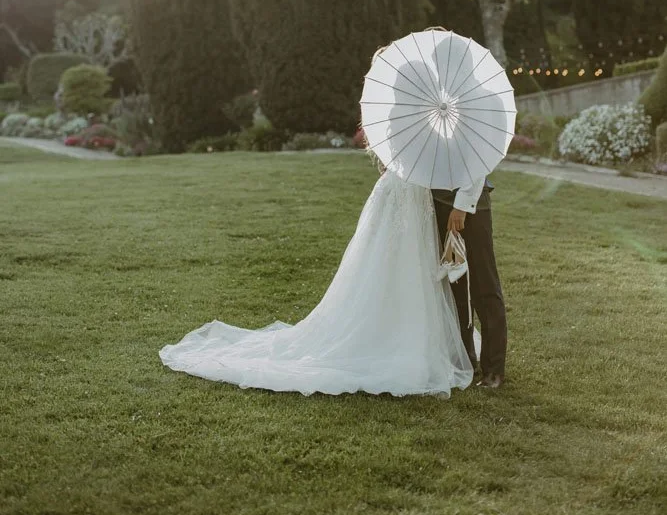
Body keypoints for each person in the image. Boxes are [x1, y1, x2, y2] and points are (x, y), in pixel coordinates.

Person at [160, 168, 474, 397]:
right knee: (391, 264)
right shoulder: (411, 118)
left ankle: (408, 333)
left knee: (406, 266)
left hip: (410, 194)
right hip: (404, 193)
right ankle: (395, 340)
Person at [432, 177, 507, 389]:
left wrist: (462, 206)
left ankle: (494, 369)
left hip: (471, 207)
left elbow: (477, 165)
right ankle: (465, 359)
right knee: (456, 283)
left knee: (484, 286)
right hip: (439, 203)